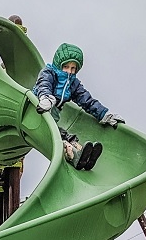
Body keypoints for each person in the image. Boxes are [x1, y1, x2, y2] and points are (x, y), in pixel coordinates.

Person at [33, 43, 124, 171]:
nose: (69, 71)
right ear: (59, 64)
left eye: (73, 68)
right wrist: (46, 98)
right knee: (58, 137)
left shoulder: (73, 84)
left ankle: (83, 153)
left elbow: (87, 100)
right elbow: (43, 85)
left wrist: (104, 115)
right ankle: (73, 156)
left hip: (52, 117)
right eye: (66, 67)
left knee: (65, 135)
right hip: (36, 113)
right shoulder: (49, 73)